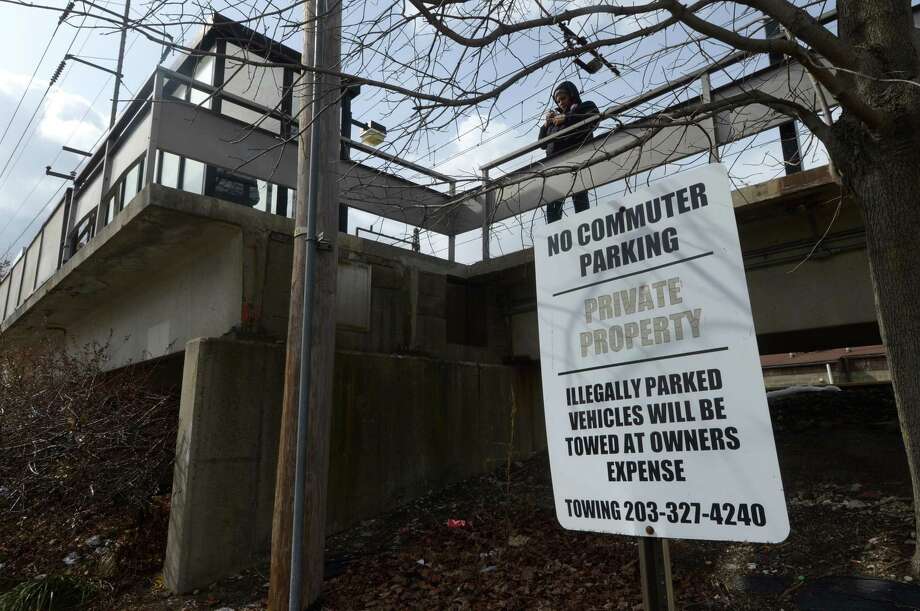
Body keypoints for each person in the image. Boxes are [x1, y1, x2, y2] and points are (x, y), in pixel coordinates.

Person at [538, 81, 600, 223]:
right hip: (555, 167)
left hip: (576, 162)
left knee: (580, 198)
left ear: (572, 96)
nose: (561, 103)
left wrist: (567, 117)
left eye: (563, 98)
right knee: (553, 204)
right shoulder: (554, 122)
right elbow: (541, 144)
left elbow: (593, 116)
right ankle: (554, 232)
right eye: (558, 100)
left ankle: (585, 226)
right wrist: (545, 125)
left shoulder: (583, 108)